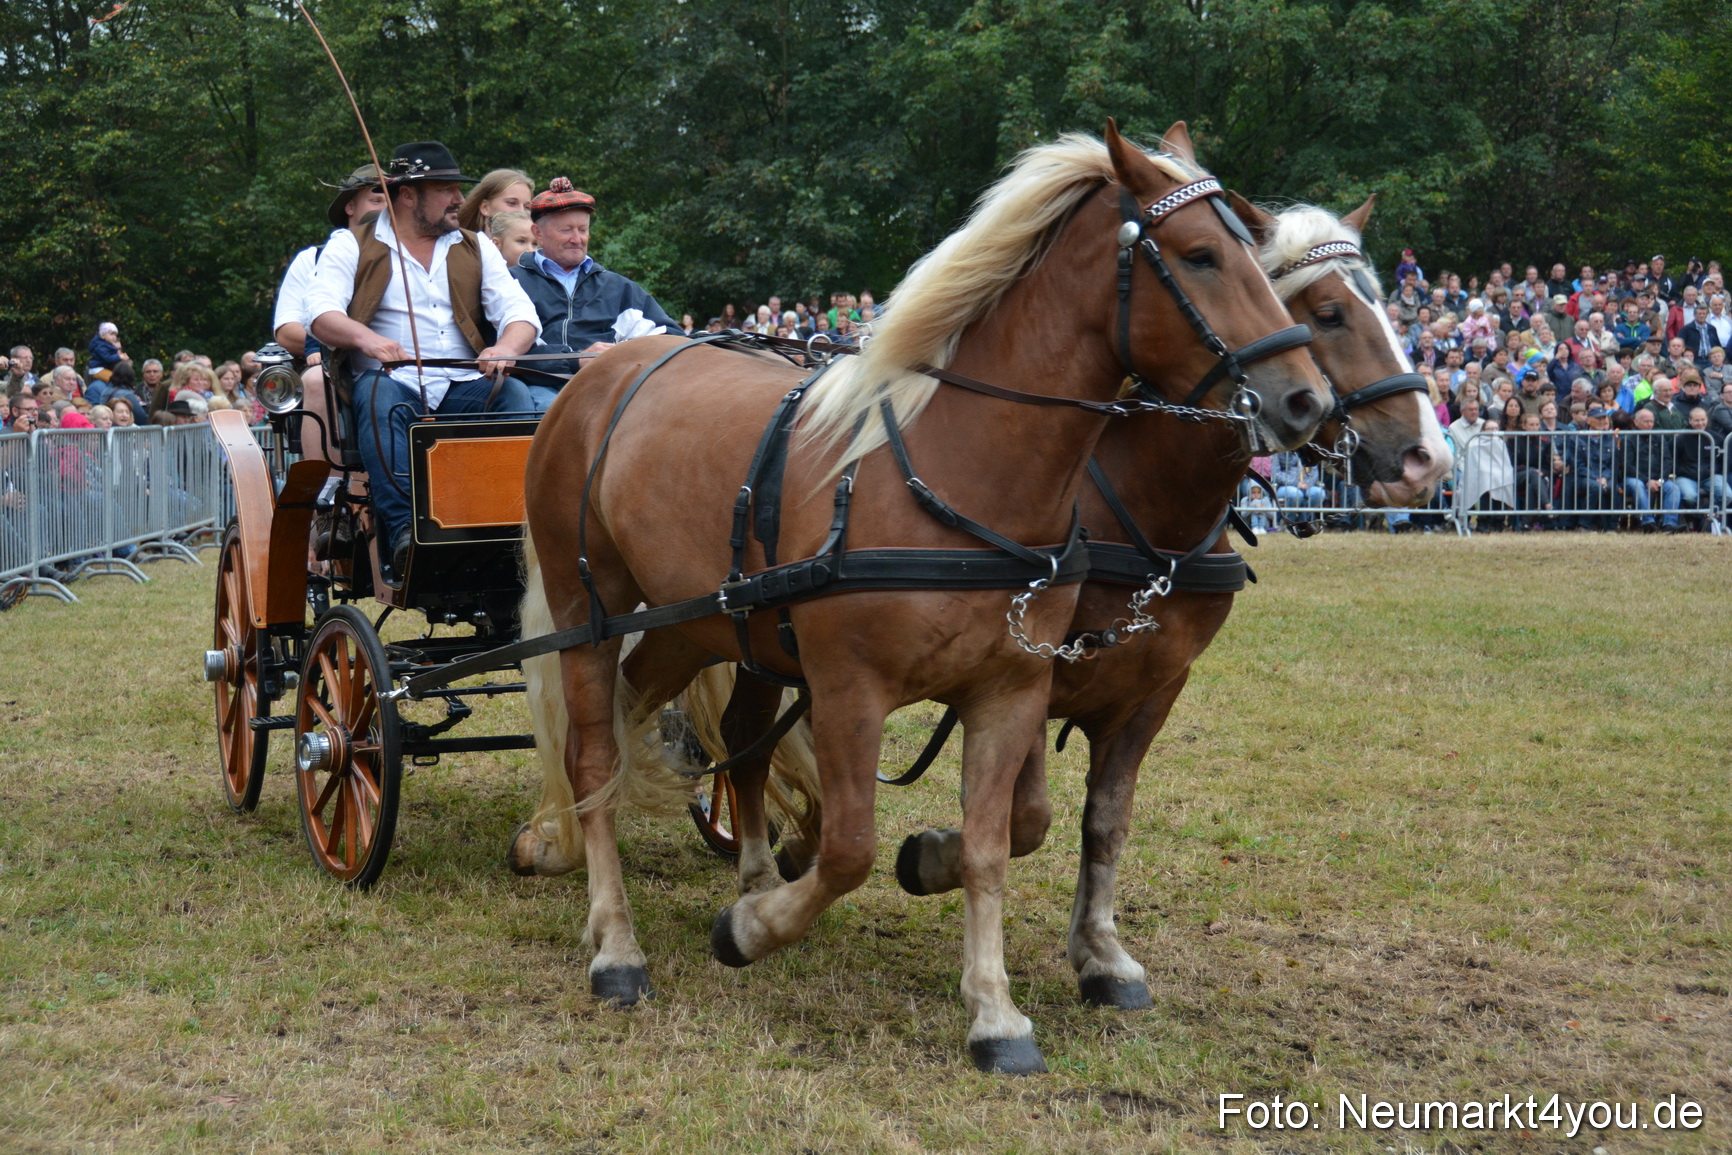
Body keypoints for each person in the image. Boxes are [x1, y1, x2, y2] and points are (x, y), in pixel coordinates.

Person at [304, 140, 540, 580]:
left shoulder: (474, 247)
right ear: (408, 194)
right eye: (446, 189)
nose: (459, 200)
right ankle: (404, 537)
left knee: (514, 395)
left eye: (458, 189)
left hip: (459, 387)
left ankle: (510, 531)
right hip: (390, 386)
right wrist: (369, 341)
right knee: (378, 391)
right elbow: (321, 314)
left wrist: (505, 348)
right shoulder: (350, 243)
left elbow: (520, 313)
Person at [508, 176, 679, 411]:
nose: (577, 239)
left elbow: (669, 337)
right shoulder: (511, 282)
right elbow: (499, 348)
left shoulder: (618, 288)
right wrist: (575, 359)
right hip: (538, 387)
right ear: (538, 233)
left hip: (608, 386)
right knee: (557, 412)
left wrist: (623, 355)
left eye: (583, 229)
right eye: (566, 230)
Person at [274, 165, 391, 360]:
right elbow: (287, 331)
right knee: (317, 382)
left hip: (403, 368)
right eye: (376, 201)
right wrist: (357, 342)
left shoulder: (411, 258)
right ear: (350, 207)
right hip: (329, 371)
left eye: (391, 203)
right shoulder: (312, 259)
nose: (385, 210)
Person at [1562, 404, 1617, 530]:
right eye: (1598, 418)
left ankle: (1610, 527)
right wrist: (1595, 478)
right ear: (1588, 420)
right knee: (1595, 487)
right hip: (1582, 477)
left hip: (1603, 476)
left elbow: (1612, 464)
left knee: (1613, 487)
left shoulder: (1610, 438)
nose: (1602, 421)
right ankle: (1584, 524)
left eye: (1604, 418)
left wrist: (1604, 477)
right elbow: (1577, 465)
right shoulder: (1577, 438)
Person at [1619, 406, 1671, 532]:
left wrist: (1660, 480)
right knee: (1638, 485)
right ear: (1636, 422)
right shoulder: (1629, 439)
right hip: (1633, 478)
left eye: (1651, 421)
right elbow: (1626, 465)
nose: (1649, 424)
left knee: (1673, 488)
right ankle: (1648, 522)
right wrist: (1647, 480)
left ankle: (1669, 524)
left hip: (1657, 478)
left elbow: (1667, 460)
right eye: (1646, 421)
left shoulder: (1659, 437)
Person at [1670, 405, 1716, 531]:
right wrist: (1679, 472)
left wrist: (1713, 471)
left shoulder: (1716, 438)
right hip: (1686, 476)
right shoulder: (1681, 439)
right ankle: (1700, 517)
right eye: (1696, 420)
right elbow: (1673, 459)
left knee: (1727, 495)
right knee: (1690, 496)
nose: (1700, 423)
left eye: (1703, 419)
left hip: (1710, 475)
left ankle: (1706, 514)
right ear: (1690, 421)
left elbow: (1721, 460)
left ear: (1707, 420)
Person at [1509, 411, 1554, 529]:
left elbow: (1549, 466)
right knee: (1533, 474)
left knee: (1532, 484)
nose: (1535, 428)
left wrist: (1543, 472)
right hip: (1516, 476)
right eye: (1531, 425)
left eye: (1537, 425)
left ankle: (1525, 523)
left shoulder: (1545, 441)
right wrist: (1532, 470)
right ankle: (1548, 505)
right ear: (1524, 426)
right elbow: (1511, 463)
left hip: (1538, 478)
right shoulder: (1514, 440)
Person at [458, 168, 533, 233]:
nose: (521, 211)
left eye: (527, 207)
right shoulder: (459, 247)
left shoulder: (538, 248)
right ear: (485, 207)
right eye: (511, 203)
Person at [1269, 450, 1325, 522]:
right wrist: (1296, 483)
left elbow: (1314, 473)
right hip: (1285, 486)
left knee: (1319, 493)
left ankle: (1304, 521)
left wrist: (1307, 484)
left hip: (1307, 486)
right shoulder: (1278, 451)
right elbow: (1275, 474)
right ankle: (1290, 522)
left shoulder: (1309, 449)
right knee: (1295, 494)